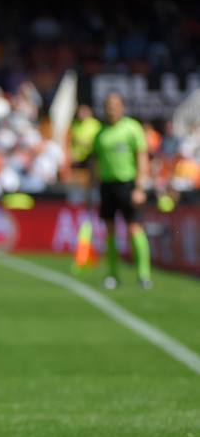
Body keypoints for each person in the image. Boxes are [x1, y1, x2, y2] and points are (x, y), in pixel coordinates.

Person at [91, 92, 153, 289]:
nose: (111, 108)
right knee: (109, 230)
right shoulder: (100, 133)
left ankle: (144, 274)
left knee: (134, 228)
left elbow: (142, 157)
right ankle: (112, 274)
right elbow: (96, 162)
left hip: (128, 184)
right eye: (108, 104)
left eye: (115, 104)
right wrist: (93, 186)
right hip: (107, 186)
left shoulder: (132, 128)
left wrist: (140, 186)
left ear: (122, 107)